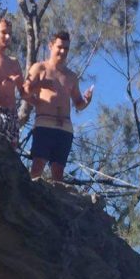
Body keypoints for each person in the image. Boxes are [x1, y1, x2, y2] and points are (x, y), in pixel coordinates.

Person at [23, 30, 93, 182]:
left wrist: (87, 101)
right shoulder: (39, 68)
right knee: (37, 167)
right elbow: (24, 91)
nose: (63, 51)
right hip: (44, 125)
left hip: (65, 129)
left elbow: (78, 104)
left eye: (66, 48)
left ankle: (54, 203)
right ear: (51, 46)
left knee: (58, 173)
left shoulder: (71, 76)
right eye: (60, 47)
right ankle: (31, 197)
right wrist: (40, 86)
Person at [0, 16, 25, 146]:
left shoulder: (14, 62)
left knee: (10, 159)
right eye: (4, 33)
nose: (7, 37)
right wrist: (0, 84)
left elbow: (24, 91)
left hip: (12, 116)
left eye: (10, 34)